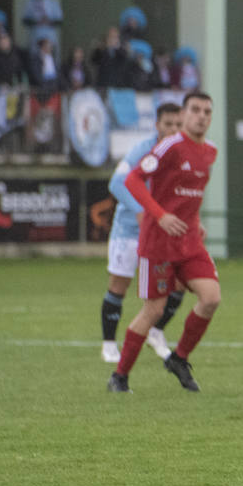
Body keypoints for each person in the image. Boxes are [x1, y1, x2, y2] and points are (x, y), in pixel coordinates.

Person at [107, 92, 221, 394]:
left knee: (210, 298)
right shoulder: (169, 146)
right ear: (184, 115)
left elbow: (187, 196)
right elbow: (132, 180)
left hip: (189, 243)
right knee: (153, 311)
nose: (201, 116)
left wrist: (195, 223)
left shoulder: (210, 152)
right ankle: (119, 377)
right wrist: (159, 216)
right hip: (158, 243)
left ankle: (179, 358)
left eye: (207, 111)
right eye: (195, 110)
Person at [99, 103, 186, 364]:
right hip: (129, 229)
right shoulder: (143, 150)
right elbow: (116, 183)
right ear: (157, 125)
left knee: (181, 281)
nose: (173, 129)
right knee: (119, 285)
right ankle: (109, 345)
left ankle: (156, 332)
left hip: (162, 231)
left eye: (177, 125)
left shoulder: (182, 153)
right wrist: (141, 210)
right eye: (168, 124)